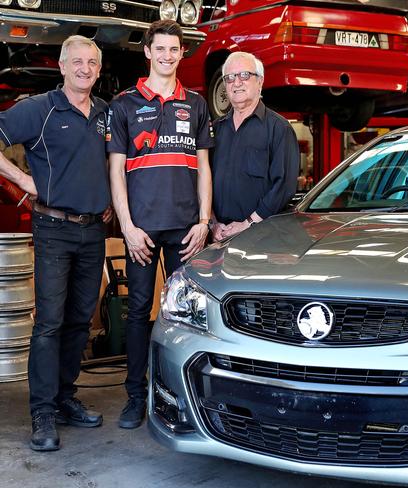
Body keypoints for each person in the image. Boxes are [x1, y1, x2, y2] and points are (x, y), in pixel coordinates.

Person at [0, 35, 111, 451]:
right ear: (62, 67)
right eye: (77, 61)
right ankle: (42, 411)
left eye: (92, 63)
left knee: (80, 321)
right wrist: (25, 180)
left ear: (99, 70)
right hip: (53, 228)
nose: (85, 68)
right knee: (49, 323)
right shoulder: (39, 109)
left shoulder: (105, 112)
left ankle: (65, 397)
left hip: (93, 230)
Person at [107, 20, 213, 429]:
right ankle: (136, 396)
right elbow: (116, 171)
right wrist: (128, 227)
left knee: (188, 315)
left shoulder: (197, 103)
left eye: (174, 49)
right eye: (161, 49)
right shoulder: (125, 104)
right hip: (142, 231)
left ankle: (185, 401)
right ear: (147, 53)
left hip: (186, 230)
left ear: (181, 53)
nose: (167, 56)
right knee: (137, 312)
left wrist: (204, 221)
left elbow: (204, 168)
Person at [211, 52, 300, 240]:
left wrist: (248, 223)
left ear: (260, 81)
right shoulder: (216, 130)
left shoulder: (279, 129)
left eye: (244, 75)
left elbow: (284, 186)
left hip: (262, 237)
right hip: (219, 236)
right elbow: (204, 180)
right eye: (230, 78)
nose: (236, 83)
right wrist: (212, 223)